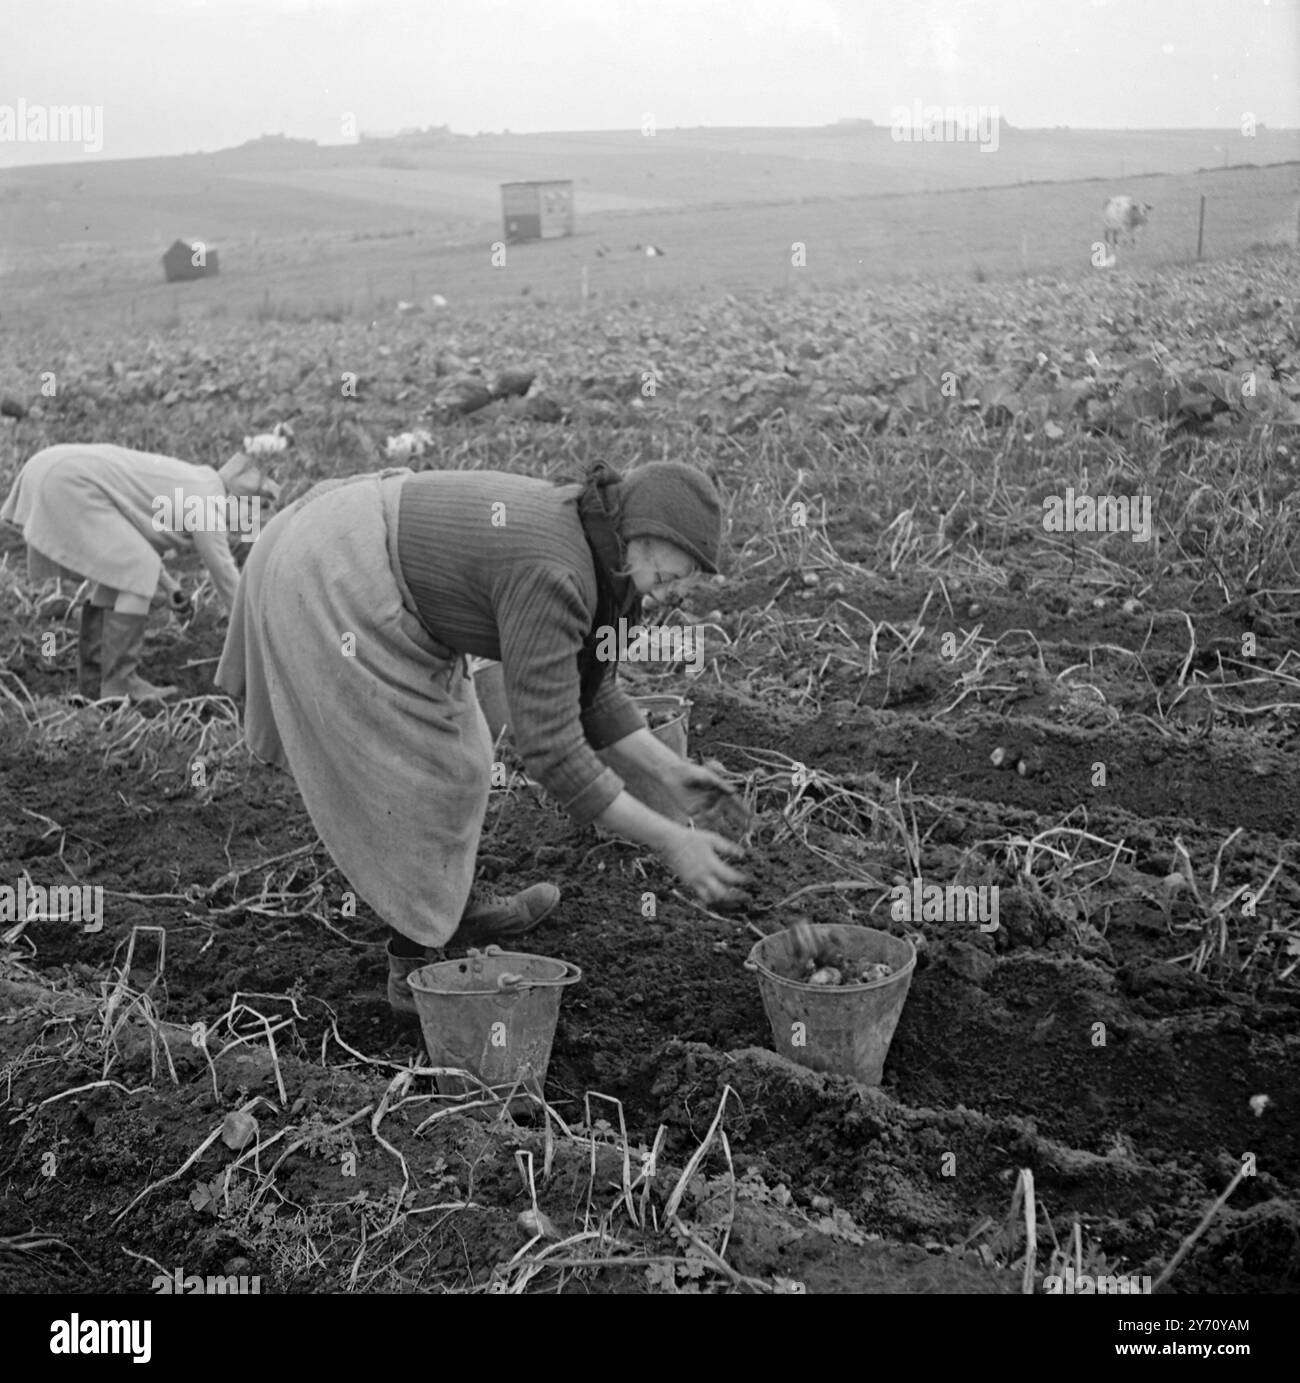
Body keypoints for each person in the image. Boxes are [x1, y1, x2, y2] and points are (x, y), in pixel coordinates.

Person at [214, 459, 750, 1016]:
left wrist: (669, 772)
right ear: (642, 530)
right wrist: (672, 839)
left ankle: (449, 903)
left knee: (464, 761)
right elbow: (553, 750)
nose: (677, 590)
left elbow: (592, 694)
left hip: (388, 572)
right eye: (671, 575)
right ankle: (412, 964)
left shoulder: (613, 560)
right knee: (425, 773)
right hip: (341, 568)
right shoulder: (558, 570)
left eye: (684, 581)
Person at [1, 443, 280, 702]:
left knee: (122, 573)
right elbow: (226, 576)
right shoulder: (210, 503)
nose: (250, 520)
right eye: (254, 509)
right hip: (67, 480)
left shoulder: (198, 481)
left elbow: (132, 538)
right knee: (137, 572)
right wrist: (258, 632)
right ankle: (120, 682)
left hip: (51, 467)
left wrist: (170, 587)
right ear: (238, 499)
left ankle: (95, 682)